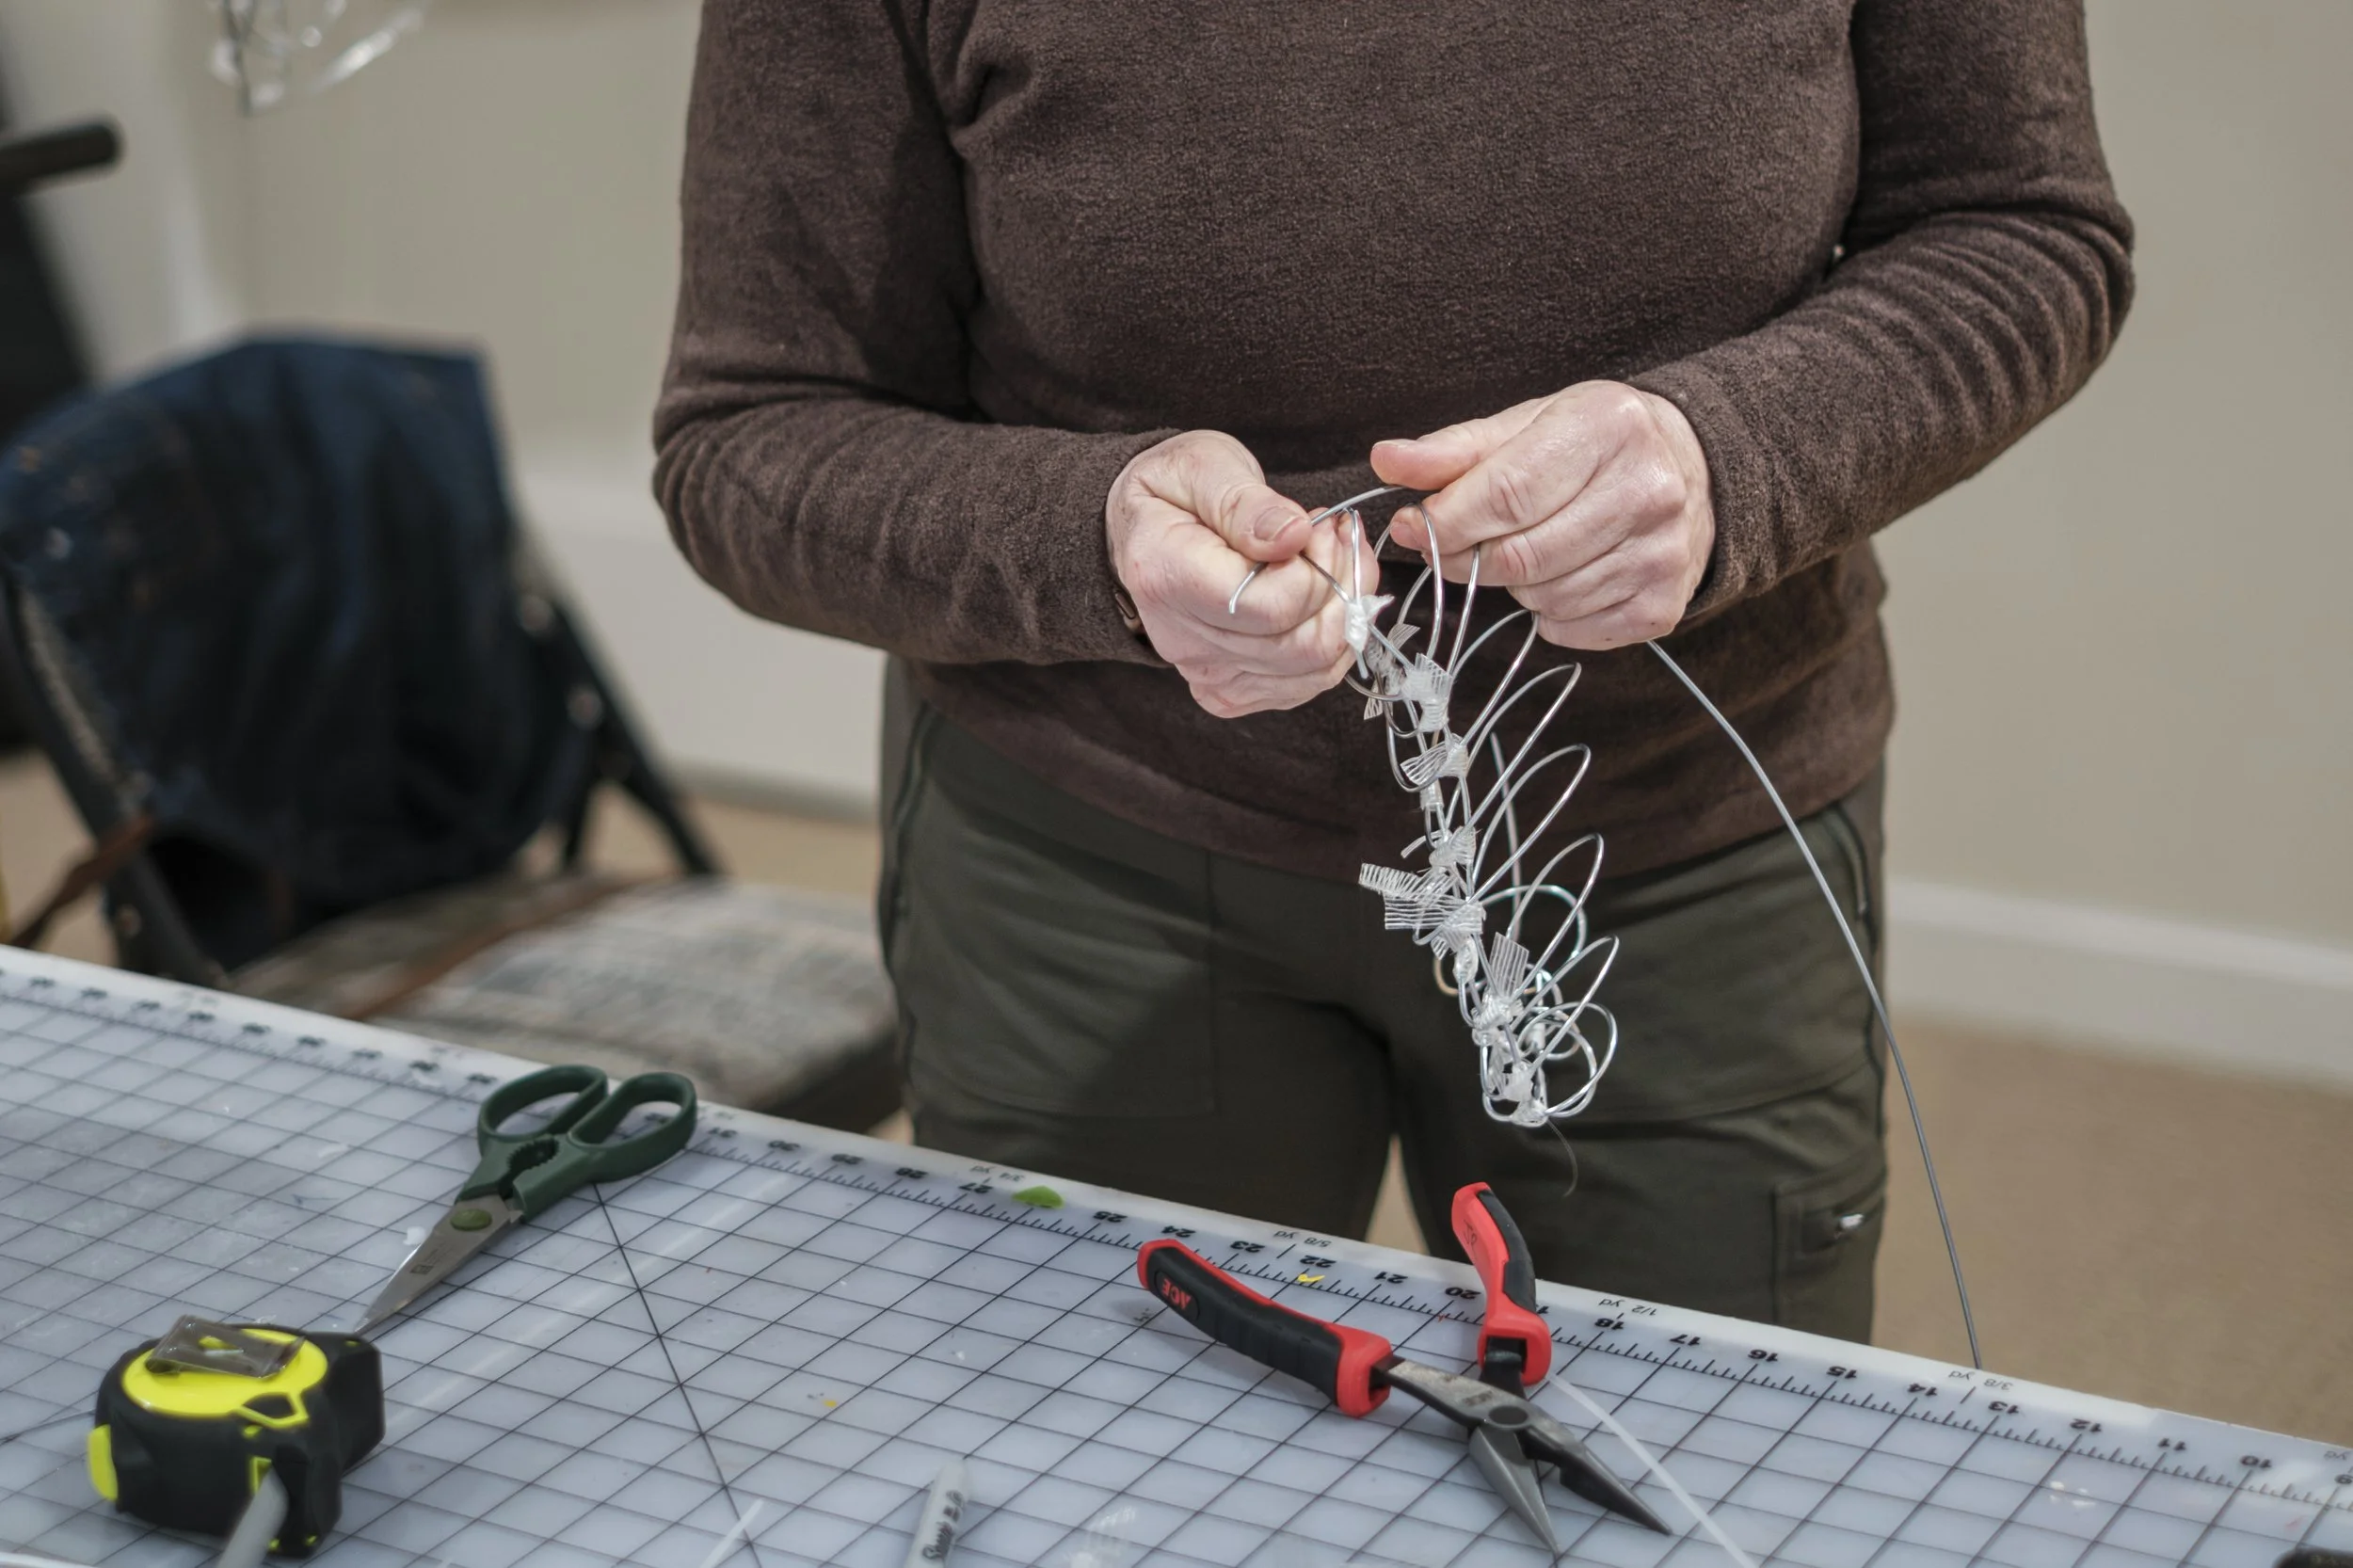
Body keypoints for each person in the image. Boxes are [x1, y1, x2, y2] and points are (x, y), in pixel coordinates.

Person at [654, 1, 2133, 1339]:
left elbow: (2021, 225)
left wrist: (1725, 457)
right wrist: (1087, 543)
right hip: (1101, 860)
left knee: (1689, 1473)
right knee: (1116, 1480)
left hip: (1681, 852)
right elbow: (751, 429)